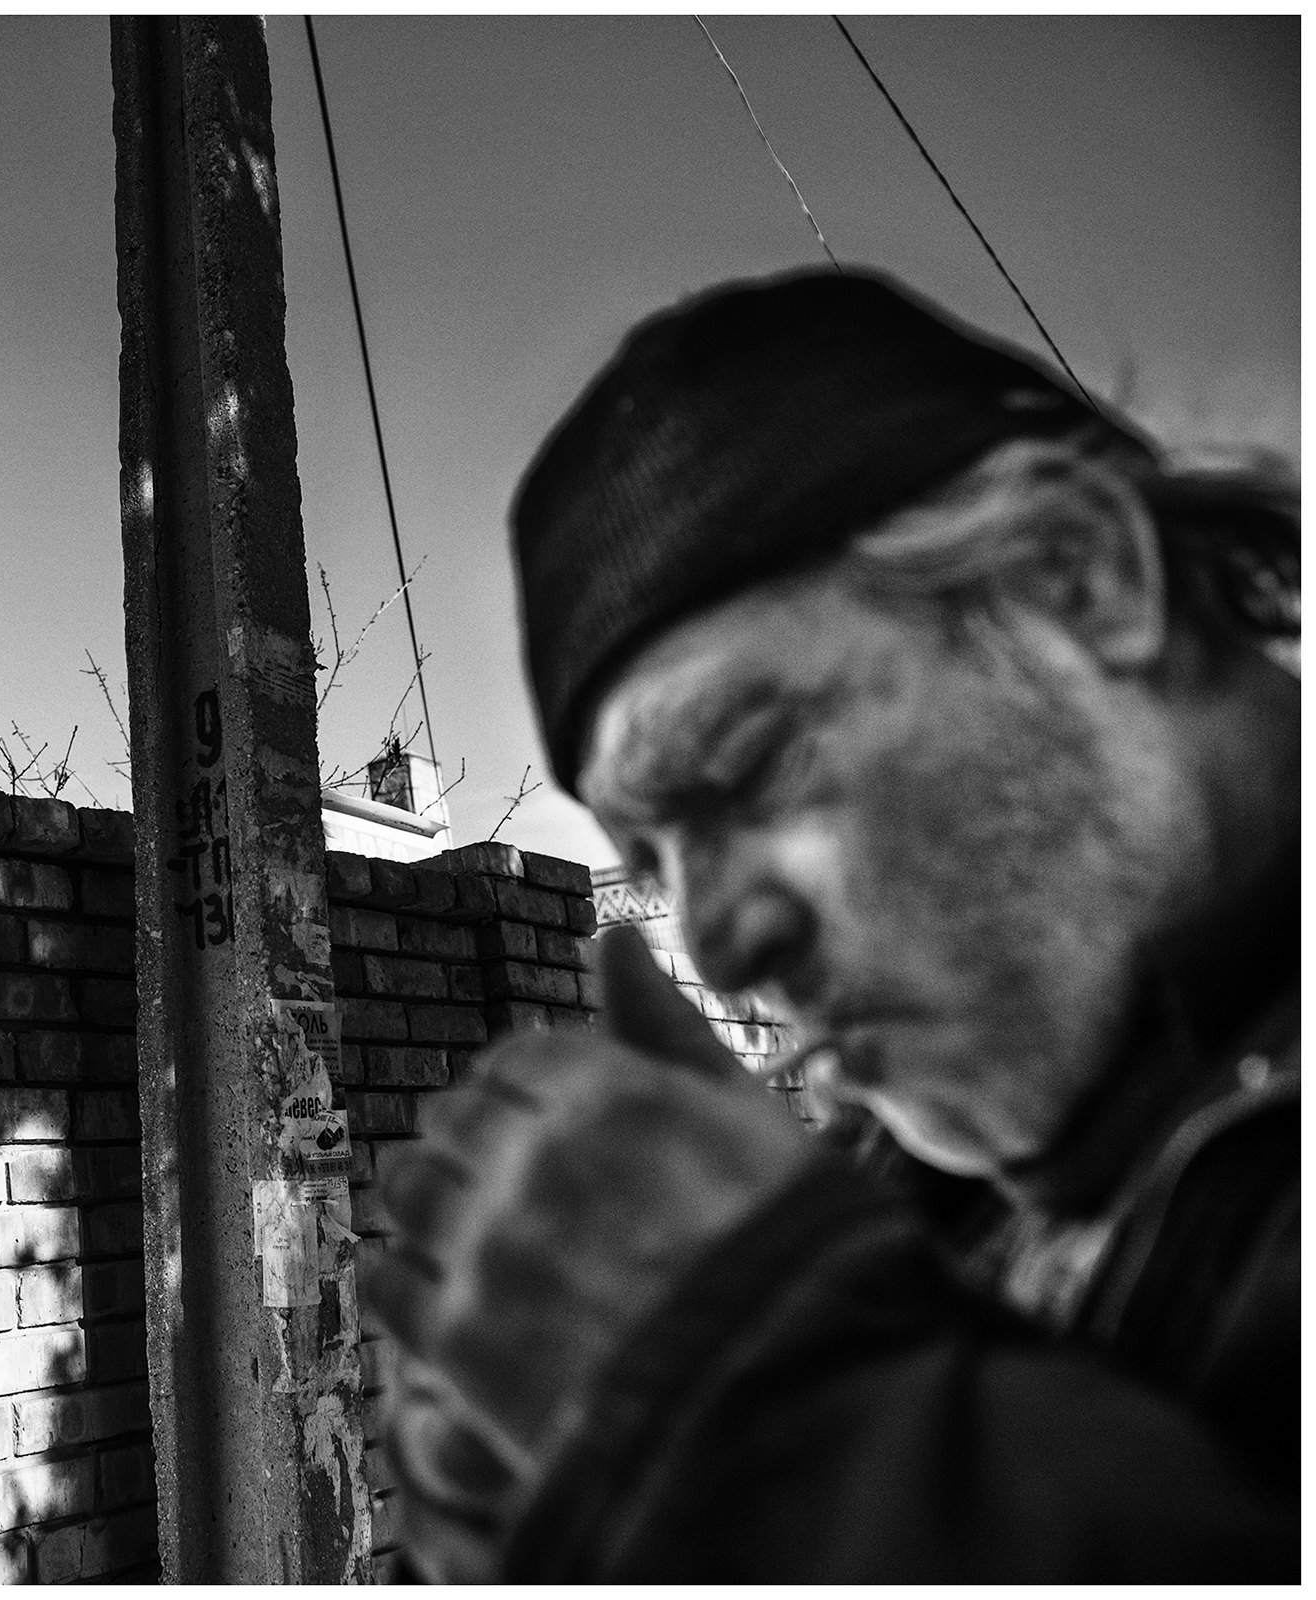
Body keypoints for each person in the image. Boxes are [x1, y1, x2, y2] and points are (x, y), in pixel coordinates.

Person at [366, 270, 1298, 1582]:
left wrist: (767, 1424)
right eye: (648, 853)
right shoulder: (921, 1194)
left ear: (1081, 577)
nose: (722, 940)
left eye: (753, 765)